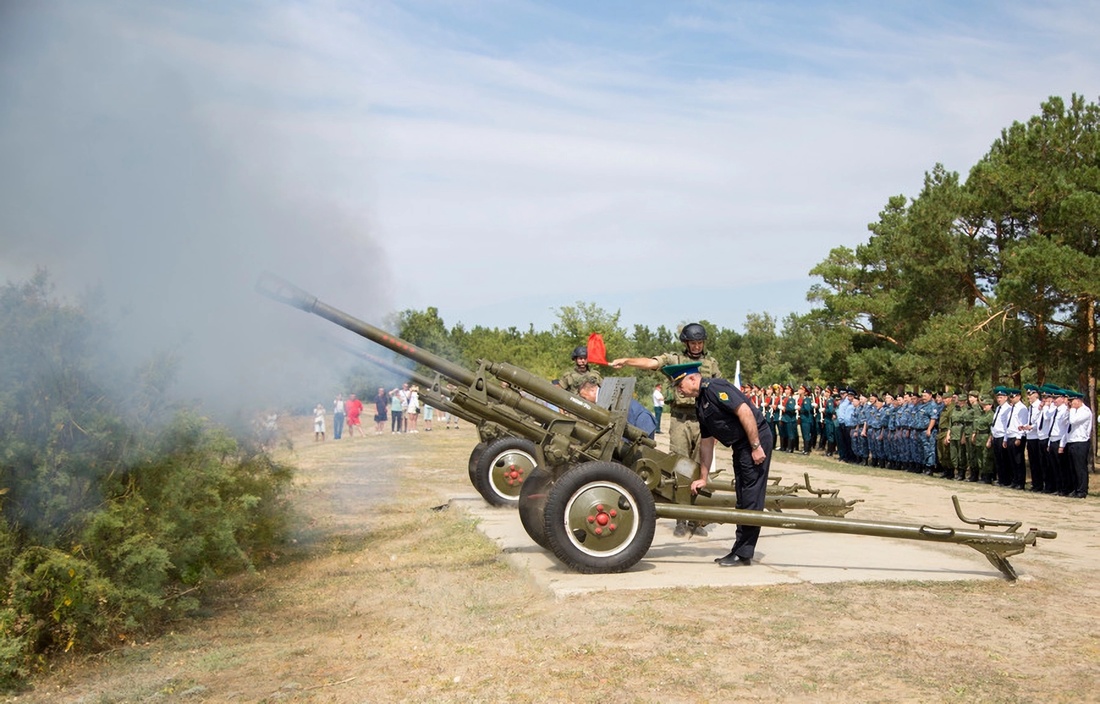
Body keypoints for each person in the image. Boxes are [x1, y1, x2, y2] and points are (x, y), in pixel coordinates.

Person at [610, 322, 722, 538]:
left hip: (703, 419)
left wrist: (717, 426)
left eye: (700, 342)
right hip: (680, 419)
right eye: (693, 342)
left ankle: (696, 520)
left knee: (701, 468)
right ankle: (680, 519)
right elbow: (651, 363)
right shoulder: (675, 360)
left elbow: (718, 392)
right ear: (686, 343)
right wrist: (627, 361)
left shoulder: (711, 364)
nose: (697, 346)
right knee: (679, 467)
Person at [664, 362, 773, 567]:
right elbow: (706, 444)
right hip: (741, 446)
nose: (678, 389)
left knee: (750, 496)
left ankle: (743, 554)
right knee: (743, 496)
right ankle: (740, 550)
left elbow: (745, 412)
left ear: (693, 379)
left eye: (680, 384)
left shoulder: (715, 388)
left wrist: (756, 446)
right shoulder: (700, 403)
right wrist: (703, 477)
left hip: (754, 440)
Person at [577, 381, 657, 439]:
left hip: (641, 423)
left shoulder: (605, 396)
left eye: (584, 397)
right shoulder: (604, 395)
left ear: (592, 390)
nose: (585, 400)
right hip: (640, 422)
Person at [1061, 390, 1093, 498]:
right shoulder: (1073, 410)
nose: (1070, 403)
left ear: (1078, 400)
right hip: (1071, 441)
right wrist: (1069, 409)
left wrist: (1072, 409)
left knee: (1080, 467)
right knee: (1072, 467)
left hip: (1081, 442)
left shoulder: (1085, 411)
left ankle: (1082, 490)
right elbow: (1064, 421)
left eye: (1071, 400)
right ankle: (1075, 488)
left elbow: (1073, 421)